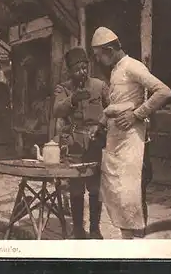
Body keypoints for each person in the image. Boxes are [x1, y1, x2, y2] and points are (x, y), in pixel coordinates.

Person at [90, 27, 171, 239]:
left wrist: (137, 114)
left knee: (130, 196)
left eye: (99, 55)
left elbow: (164, 91)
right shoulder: (117, 70)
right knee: (118, 197)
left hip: (132, 142)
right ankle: (126, 244)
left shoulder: (132, 66)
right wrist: (100, 124)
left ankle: (136, 248)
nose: (98, 60)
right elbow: (116, 104)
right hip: (116, 142)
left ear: (109, 49)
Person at [53, 47, 109, 239]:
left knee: (95, 188)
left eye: (85, 68)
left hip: (96, 144)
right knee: (76, 188)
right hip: (75, 145)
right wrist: (73, 100)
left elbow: (112, 110)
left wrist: (103, 129)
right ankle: (78, 228)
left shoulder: (100, 86)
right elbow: (57, 111)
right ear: (70, 71)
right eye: (77, 69)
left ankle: (95, 229)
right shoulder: (63, 88)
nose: (82, 72)